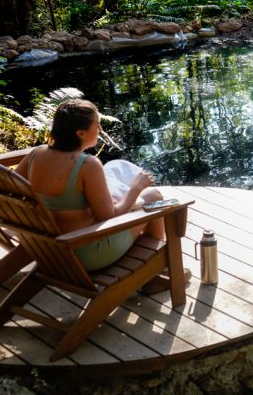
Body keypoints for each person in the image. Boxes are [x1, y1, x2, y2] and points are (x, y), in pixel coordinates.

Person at [15, 99, 164, 271]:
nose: (99, 130)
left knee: (125, 198)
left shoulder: (36, 153)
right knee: (153, 197)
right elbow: (108, 217)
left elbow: (14, 187)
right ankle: (157, 270)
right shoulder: (87, 165)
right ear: (81, 133)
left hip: (49, 249)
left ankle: (156, 267)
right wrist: (137, 187)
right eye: (97, 126)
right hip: (85, 252)